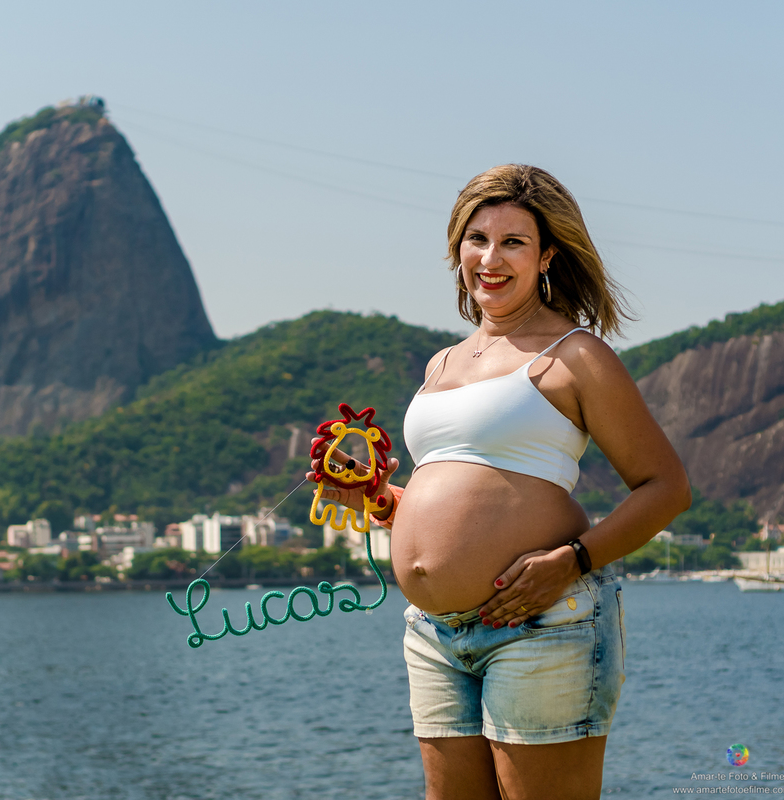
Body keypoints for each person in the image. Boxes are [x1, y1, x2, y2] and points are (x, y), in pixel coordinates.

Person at [310, 164, 691, 800]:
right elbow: (460, 498)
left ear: (547, 256)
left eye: (514, 242)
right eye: (478, 239)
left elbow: (667, 487)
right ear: (457, 248)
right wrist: (380, 499)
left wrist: (572, 560)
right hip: (434, 633)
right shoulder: (442, 363)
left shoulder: (576, 355)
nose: (491, 258)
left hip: (542, 623)